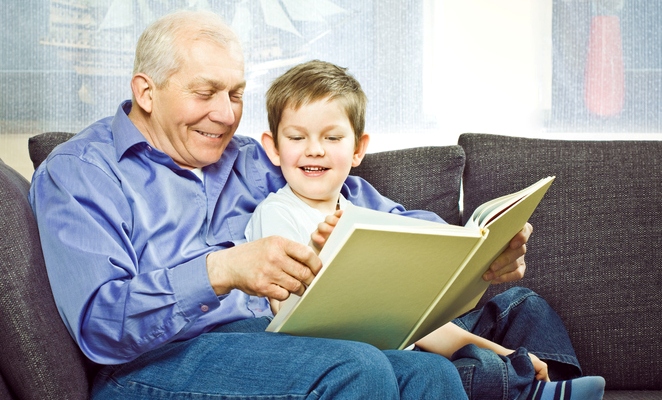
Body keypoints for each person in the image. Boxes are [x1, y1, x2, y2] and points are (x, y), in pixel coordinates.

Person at [25, 9, 587, 400]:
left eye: (237, 94)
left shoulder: (249, 157)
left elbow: (370, 208)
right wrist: (220, 271)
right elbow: (102, 325)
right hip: (152, 364)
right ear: (146, 92)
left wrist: (472, 250)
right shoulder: (80, 173)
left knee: (428, 377)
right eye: (205, 93)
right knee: (357, 365)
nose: (226, 114)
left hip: (271, 343)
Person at [245, 59, 606, 400]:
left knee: (524, 304)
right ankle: (521, 383)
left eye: (332, 138)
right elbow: (291, 315)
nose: (315, 150)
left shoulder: (365, 214)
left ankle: (550, 385)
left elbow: (415, 314)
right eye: (297, 137)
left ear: (358, 149)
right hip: (373, 352)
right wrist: (505, 356)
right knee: (445, 369)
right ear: (273, 148)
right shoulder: (277, 214)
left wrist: (508, 349)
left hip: (412, 330)